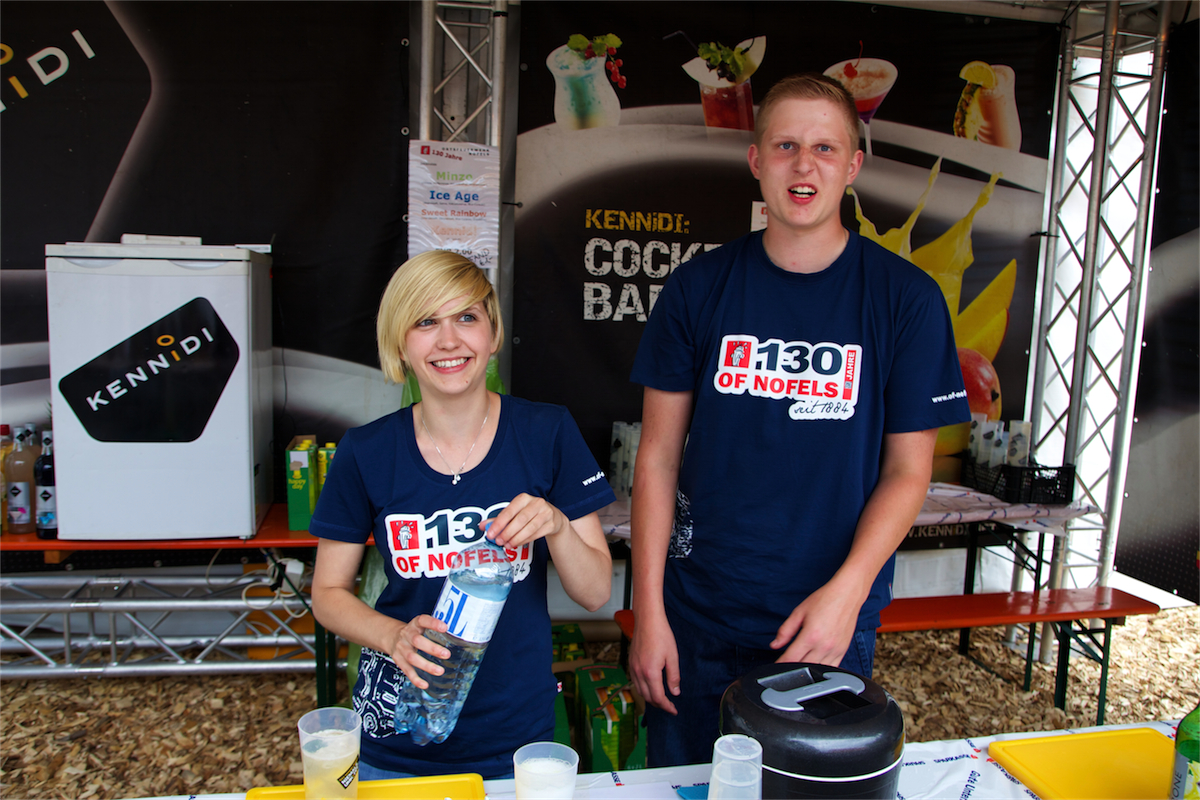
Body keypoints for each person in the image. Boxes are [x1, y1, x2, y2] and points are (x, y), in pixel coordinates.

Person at [627, 73, 971, 767]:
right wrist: (649, 613)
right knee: (688, 786)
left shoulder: (906, 299)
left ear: (853, 165)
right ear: (756, 161)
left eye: (824, 147)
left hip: (827, 620)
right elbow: (657, 458)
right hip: (698, 616)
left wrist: (848, 594)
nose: (804, 165)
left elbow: (909, 473)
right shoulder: (698, 287)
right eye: (785, 146)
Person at [310, 250, 615, 780]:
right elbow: (327, 595)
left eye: (466, 317)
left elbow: (595, 593)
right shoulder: (366, 451)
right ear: (400, 343)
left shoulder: (546, 433)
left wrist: (558, 526)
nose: (449, 340)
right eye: (426, 322)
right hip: (397, 738)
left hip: (514, 738)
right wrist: (392, 635)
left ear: (492, 334)